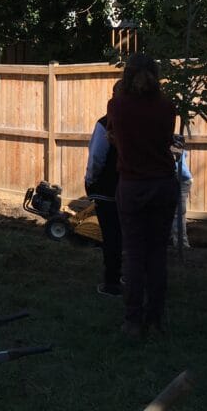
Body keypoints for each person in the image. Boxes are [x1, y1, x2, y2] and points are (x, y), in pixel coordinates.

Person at [107, 54, 178, 338]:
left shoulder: (118, 105)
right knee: (158, 254)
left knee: (134, 255)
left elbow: (116, 136)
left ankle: (133, 321)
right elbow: (162, 140)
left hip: (133, 185)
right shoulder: (167, 107)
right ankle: (156, 320)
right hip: (162, 183)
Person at [85, 81, 123, 297]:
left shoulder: (106, 122)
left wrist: (90, 181)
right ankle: (134, 276)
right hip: (140, 186)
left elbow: (97, 157)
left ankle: (112, 282)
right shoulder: (145, 121)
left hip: (109, 187)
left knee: (112, 236)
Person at [169, 139, 193, 249]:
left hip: (181, 180)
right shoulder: (176, 144)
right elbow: (185, 154)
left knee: (178, 213)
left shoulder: (172, 147)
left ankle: (182, 244)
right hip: (182, 179)